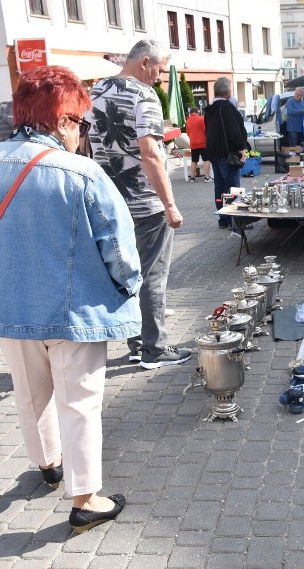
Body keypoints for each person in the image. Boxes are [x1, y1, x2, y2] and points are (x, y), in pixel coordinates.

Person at [0, 65, 141, 533]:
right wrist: (129, 285)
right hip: (74, 309)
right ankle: (85, 499)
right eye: (81, 122)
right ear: (61, 120)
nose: (82, 133)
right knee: (79, 402)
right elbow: (118, 248)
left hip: (7, 304)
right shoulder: (81, 172)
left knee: (30, 393)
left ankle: (47, 465)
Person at [88, 39, 192, 369]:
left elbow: (84, 147)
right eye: (159, 70)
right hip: (145, 204)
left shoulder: (94, 91)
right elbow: (150, 153)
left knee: (127, 275)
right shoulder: (143, 95)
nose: (159, 79)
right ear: (145, 62)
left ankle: (135, 343)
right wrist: (170, 204)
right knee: (152, 277)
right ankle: (155, 350)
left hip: (109, 203)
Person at [204, 77, 248, 230]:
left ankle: (223, 219)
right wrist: (242, 149)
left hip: (214, 153)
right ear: (228, 93)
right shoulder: (226, 107)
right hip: (227, 153)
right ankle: (237, 223)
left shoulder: (209, 109)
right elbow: (234, 130)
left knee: (220, 187)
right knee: (233, 188)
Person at [185, 108, 210, 181]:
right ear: (197, 112)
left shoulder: (188, 120)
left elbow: (188, 133)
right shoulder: (202, 119)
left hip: (193, 143)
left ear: (190, 113)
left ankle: (192, 177)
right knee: (206, 159)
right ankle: (207, 177)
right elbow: (206, 130)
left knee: (194, 160)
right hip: (203, 143)